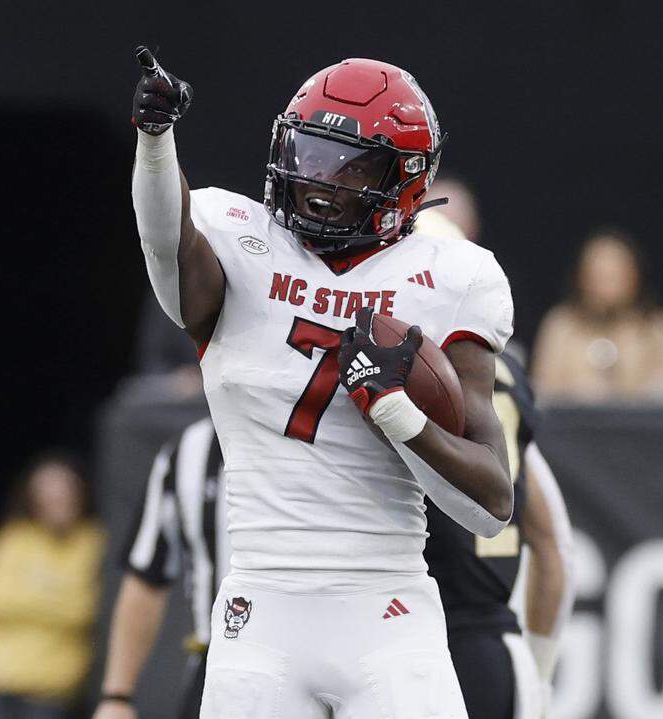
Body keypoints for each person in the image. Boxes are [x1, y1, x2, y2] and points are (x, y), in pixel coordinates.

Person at [132, 48, 516, 717]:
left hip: (388, 607)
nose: (318, 178)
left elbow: (489, 506)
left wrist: (396, 412)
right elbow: (166, 246)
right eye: (309, 153)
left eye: (350, 164)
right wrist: (156, 142)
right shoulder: (236, 236)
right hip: (260, 605)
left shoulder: (455, 276)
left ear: (405, 177)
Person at [426, 350, 575, 719]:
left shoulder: (412, 354)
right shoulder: (505, 373)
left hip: (409, 627)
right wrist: (539, 673)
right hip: (491, 643)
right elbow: (554, 540)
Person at [95, 418, 225, 719]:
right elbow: (147, 576)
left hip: (318, 660)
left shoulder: (326, 436)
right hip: (215, 665)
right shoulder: (189, 450)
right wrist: (117, 696)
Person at [0, 452, 105, 719]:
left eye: (64, 496)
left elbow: (86, 610)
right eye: (48, 497)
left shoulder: (94, 543)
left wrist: (31, 594)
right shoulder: (11, 539)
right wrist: (59, 596)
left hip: (52, 685)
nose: (57, 503)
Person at [531, 227, 663, 402]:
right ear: (582, 277)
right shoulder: (560, 326)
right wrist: (579, 393)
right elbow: (543, 391)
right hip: (572, 418)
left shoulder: (660, 328)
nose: (606, 285)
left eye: (615, 275)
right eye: (598, 275)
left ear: (634, 275)